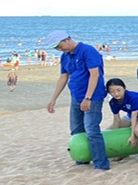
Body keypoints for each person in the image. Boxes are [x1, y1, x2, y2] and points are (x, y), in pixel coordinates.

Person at [45, 30, 109, 171]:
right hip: (76, 96)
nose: (59, 49)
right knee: (76, 130)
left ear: (67, 39)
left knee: (91, 130)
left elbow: (94, 75)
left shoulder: (87, 51)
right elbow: (63, 77)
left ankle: (101, 164)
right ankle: (82, 159)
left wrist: (88, 98)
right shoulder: (65, 57)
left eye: (59, 46)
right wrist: (53, 99)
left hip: (93, 97)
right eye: (56, 48)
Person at [105, 78, 138, 160]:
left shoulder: (133, 98)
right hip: (130, 114)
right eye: (112, 92)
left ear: (124, 88)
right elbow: (116, 119)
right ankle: (124, 152)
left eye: (118, 90)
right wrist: (114, 134)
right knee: (109, 130)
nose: (116, 93)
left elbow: (134, 117)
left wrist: (133, 136)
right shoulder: (113, 102)